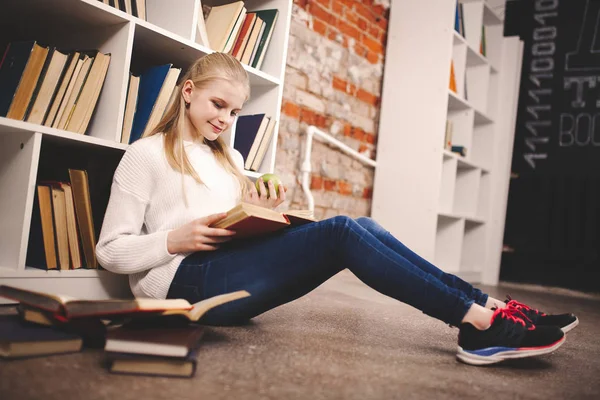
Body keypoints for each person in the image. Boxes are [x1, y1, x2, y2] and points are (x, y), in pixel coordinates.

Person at [96, 53, 578, 366]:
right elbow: (109, 252)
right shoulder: (146, 154)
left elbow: (232, 225)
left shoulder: (232, 158)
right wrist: (173, 240)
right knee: (344, 231)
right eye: (217, 105)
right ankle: (476, 324)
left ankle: (489, 306)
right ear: (187, 93)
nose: (225, 120)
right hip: (184, 286)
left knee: (359, 225)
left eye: (235, 112)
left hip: (224, 272)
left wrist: (257, 208)